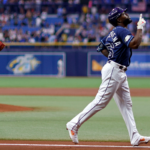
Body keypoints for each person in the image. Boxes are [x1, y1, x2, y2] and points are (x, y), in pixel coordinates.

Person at [66, 7, 150, 146]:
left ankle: (134, 136)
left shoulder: (112, 33)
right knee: (101, 101)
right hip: (114, 70)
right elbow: (134, 44)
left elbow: (101, 47)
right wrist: (140, 27)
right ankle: (74, 124)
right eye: (123, 13)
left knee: (126, 104)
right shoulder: (121, 30)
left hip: (118, 70)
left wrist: (112, 56)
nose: (126, 14)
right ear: (118, 19)